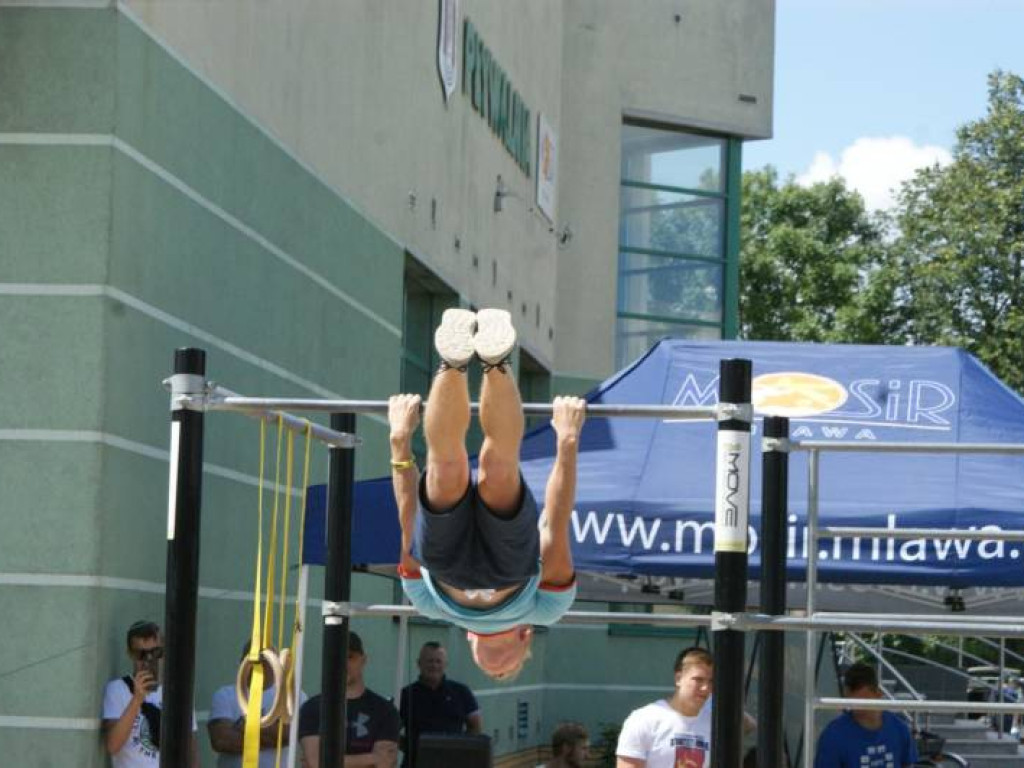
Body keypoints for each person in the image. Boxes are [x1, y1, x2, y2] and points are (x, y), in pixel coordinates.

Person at [389, 308, 585, 680]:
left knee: (496, 467)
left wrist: (568, 440)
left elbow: (557, 526)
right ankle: (457, 363)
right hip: (466, 569)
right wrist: (399, 444)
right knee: (450, 466)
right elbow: (408, 523)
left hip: (499, 568)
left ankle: (492, 362)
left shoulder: (543, 613)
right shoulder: (434, 607)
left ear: (526, 638)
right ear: (467, 639)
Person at [101, 619, 199, 768]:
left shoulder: (178, 692)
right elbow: (112, 746)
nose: (148, 659)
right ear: (130, 654)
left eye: (155, 652)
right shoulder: (117, 690)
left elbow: (190, 748)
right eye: (141, 654)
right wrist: (137, 700)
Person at [298, 631, 400, 768]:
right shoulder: (312, 708)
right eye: (337, 657)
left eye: (350, 657)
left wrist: (329, 761)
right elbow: (316, 762)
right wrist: (372, 758)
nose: (343, 664)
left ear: (363, 660)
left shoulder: (385, 711)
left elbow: (384, 763)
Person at [208, 641, 307, 768]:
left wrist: (244, 725)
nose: (259, 665)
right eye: (253, 660)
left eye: (264, 660)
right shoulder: (224, 695)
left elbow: (288, 735)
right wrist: (272, 733)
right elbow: (221, 741)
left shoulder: (293, 696)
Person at [615, 647, 715, 768]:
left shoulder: (714, 722)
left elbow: (743, 723)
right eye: (698, 680)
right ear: (678, 679)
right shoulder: (644, 719)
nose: (705, 688)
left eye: (711, 681)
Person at [813, 662, 919, 768]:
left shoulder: (900, 729)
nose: (860, 709)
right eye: (854, 704)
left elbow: (908, 764)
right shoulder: (833, 735)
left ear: (879, 694)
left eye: (865, 702)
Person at [399, 641, 482, 768]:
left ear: (445, 664)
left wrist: (461, 749)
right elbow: (391, 730)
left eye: (438, 661)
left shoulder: (461, 692)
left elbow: (475, 726)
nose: (434, 665)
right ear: (419, 663)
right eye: (429, 661)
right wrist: (412, 747)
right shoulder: (406, 695)